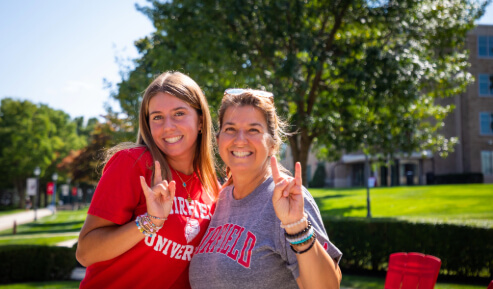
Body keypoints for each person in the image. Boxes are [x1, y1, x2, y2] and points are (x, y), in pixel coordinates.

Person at [76, 71, 220, 289]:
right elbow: (86, 253)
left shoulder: (214, 188)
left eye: (179, 113)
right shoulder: (133, 164)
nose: (168, 126)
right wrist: (150, 222)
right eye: (157, 117)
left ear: (201, 121)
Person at [189, 88, 342, 289]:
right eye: (230, 129)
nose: (240, 139)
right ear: (218, 140)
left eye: (253, 130)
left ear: (272, 144)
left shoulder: (286, 196)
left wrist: (296, 226)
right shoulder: (221, 198)